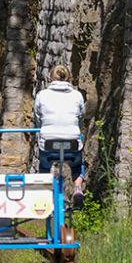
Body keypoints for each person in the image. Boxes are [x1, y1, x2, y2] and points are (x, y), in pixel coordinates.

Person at [33, 65, 87, 204]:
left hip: (49, 143)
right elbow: (80, 118)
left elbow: (38, 118)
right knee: (78, 165)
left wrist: (43, 128)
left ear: (50, 78)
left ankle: (44, 192)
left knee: (45, 165)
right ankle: (77, 187)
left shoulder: (42, 95)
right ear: (69, 78)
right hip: (71, 143)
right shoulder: (77, 95)